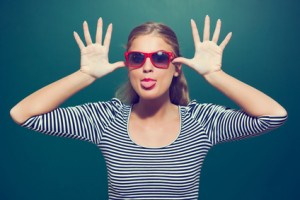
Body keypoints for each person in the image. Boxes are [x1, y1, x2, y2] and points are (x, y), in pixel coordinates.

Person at [10, 16, 287, 199]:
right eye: (137, 57)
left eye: (159, 58)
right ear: (128, 65)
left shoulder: (201, 122)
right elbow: (22, 114)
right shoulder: (107, 119)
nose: (147, 67)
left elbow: (274, 116)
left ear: (177, 67)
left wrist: (214, 74)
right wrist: (85, 75)